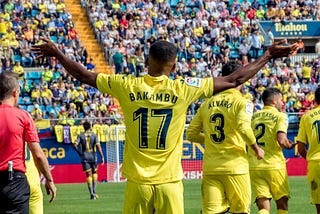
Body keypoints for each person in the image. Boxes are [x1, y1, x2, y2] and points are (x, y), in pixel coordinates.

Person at [32, 37, 298, 213]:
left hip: (137, 184)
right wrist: (268, 55)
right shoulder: (184, 89)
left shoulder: (126, 85)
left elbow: (84, 75)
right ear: (174, 65)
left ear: (147, 61)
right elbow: (234, 80)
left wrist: (57, 52)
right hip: (170, 182)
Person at [186, 61, 265, 214]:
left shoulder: (207, 103)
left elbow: (191, 134)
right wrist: (256, 148)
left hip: (211, 168)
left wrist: (209, 139)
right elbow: (243, 128)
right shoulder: (242, 103)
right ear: (242, 78)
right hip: (235, 167)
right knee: (241, 211)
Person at [0, 71, 56, 213]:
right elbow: (37, 154)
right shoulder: (23, 116)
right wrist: (49, 180)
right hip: (15, 181)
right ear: (15, 92)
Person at [249, 88, 296, 214]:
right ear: (274, 101)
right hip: (274, 165)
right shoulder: (280, 116)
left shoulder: (253, 117)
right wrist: (289, 145)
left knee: (263, 206)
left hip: (255, 165)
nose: (283, 103)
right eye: (281, 100)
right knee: (282, 202)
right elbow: (282, 140)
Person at [297, 87, 320, 214]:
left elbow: (300, 148)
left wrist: (310, 158)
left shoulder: (307, 117)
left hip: (315, 164)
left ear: (315, 99)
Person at [73, 121, 105, 200]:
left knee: (88, 175)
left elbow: (75, 145)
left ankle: (91, 193)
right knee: (94, 173)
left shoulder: (80, 136)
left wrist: (79, 153)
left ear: (84, 127)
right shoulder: (94, 135)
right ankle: (94, 191)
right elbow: (98, 147)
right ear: (90, 127)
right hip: (93, 156)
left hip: (85, 156)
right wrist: (102, 157)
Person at [25, 147, 44, 214]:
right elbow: (39, 156)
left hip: (15, 182)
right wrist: (49, 179)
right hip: (32, 182)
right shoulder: (28, 138)